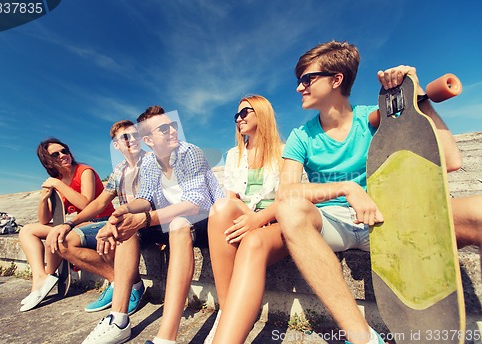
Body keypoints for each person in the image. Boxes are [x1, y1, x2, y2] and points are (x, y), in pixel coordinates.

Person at [274, 40, 468, 344]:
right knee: (289, 208)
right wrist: (347, 188)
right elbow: (286, 193)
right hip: (334, 224)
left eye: (307, 79)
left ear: (336, 79)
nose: (299, 88)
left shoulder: (371, 118)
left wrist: (417, 98)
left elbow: (451, 161)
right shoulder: (301, 137)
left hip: (383, 219)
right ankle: (363, 337)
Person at [81, 106, 224, 344]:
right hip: (170, 221)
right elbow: (145, 198)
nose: (172, 131)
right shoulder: (149, 164)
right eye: (164, 128)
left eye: (173, 126)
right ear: (148, 140)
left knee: (178, 223)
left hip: (207, 220)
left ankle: (166, 338)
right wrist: (122, 212)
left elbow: (195, 203)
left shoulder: (191, 153)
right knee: (128, 229)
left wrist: (146, 219)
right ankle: (118, 320)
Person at [205, 95, 287, 343]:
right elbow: (232, 199)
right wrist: (249, 217)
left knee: (232, 215)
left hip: (276, 221)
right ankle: (227, 310)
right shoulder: (233, 155)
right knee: (220, 209)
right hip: (247, 219)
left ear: (261, 113)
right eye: (236, 116)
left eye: (244, 113)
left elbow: (288, 201)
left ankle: (231, 319)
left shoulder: (284, 152)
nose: (238, 119)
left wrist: (258, 220)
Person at [46, 120, 149, 314]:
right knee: (63, 242)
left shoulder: (153, 161)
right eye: (124, 137)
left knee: (112, 233)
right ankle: (119, 282)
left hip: (148, 222)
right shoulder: (119, 170)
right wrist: (69, 224)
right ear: (116, 145)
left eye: (135, 135)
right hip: (124, 220)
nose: (132, 140)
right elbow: (99, 203)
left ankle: (133, 287)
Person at [19, 138, 114, 312]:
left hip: (99, 220)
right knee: (27, 230)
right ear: (48, 161)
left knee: (56, 233)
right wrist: (43, 198)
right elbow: (43, 219)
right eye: (56, 154)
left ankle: (47, 276)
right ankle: (40, 277)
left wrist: (56, 184)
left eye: (65, 151)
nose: (63, 155)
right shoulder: (58, 180)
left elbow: (86, 204)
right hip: (75, 223)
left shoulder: (84, 171)